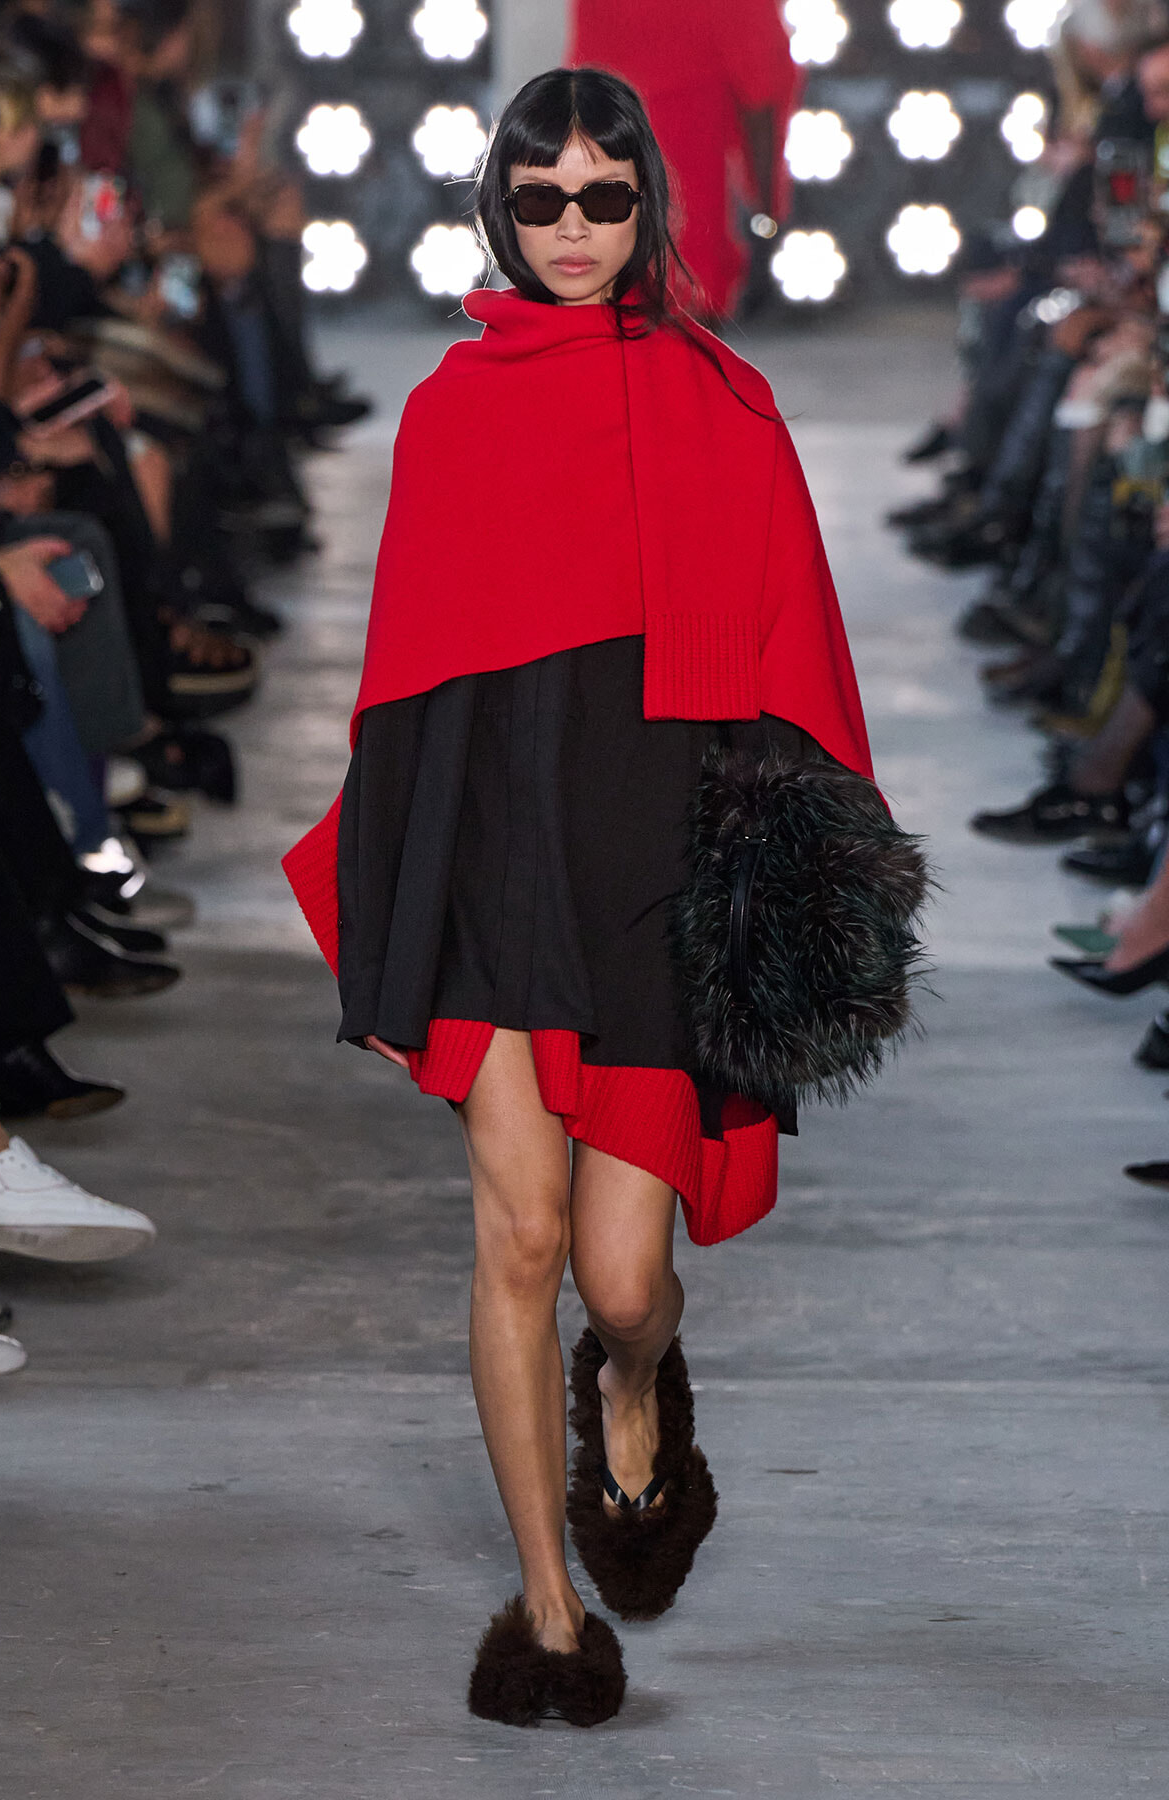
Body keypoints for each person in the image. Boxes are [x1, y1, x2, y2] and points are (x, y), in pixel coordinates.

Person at [284, 67, 873, 1727]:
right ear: (500, 209)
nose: (570, 232)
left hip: (650, 869)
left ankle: (635, 1384)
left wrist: (796, 890)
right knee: (521, 1232)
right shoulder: (452, 410)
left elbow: (793, 664)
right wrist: (402, 885)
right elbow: (407, 684)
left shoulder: (720, 401)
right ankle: (548, 1617)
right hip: (493, 862)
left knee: (621, 1281)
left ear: (644, 213)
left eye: (602, 199)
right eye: (539, 201)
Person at [566, 0, 799, 320]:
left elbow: (581, 76)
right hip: (691, 221)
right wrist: (766, 219)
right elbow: (761, 92)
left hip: (600, 198)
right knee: (689, 344)